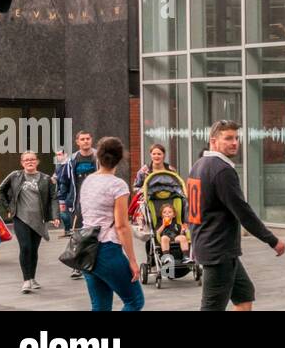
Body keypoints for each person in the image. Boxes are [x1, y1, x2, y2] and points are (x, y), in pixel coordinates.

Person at [188, 120, 285, 311]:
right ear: (213, 141)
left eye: (236, 138)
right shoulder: (222, 170)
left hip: (213, 247)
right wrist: (272, 240)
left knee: (244, 296)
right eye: (228, 138)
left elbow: (190, 210)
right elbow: (243, 212)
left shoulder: (199, 164)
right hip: (218, 250)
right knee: (211, 307)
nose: (234, 143)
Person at [78, 137, 143, 311]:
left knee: (100, 307)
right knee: (135, 301)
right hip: (107, 249)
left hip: (86, 248)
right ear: (120, 159)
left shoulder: (88, 181)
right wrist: (133, 260)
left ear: (97, 156)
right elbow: (122, 226)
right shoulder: (118, 185)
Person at [0, 152, 60, 293]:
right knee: (25, 247)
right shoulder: (15, 176)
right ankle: (26, 281)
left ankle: (32, 278)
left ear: (37, 161)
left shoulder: (45, 178)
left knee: (33, 250)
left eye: (32, 159)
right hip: (21, 218)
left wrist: (55, 216)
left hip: (39, 220)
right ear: (22, 162)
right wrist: (9, 208)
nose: (29, 162)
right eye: (26, 160)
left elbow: (53, 198)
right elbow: (1, 191)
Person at [56, 130, 99, 279]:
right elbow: (64, 181)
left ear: (91, 140)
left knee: (97, 233)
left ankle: (96, 264)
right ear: (77, 142)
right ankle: (77, 266)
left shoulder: (98, 157)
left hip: (97, 202)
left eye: (88, 138)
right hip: (78, 203)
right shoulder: (72, 160)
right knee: (78, 234)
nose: (86, 141)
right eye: (83, 139)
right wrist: (62, 201)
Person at [156, 201, 191, 271]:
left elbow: (180, 233)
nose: (167, 214)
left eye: (169, 212)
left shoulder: (176, 224)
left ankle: (186, 256)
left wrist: (183, 230)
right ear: (162, 215)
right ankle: (166, 257)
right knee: (164, 238)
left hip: (175, 237)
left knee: (183, 237)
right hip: (165, 237)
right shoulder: (160, 223)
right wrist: (163, 225)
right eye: (164, 212)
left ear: (174, 215)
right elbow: (157, 232)